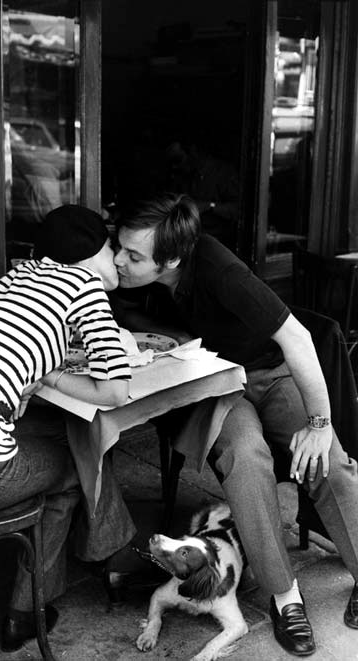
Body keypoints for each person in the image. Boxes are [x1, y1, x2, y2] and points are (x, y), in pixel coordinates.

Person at [111, 192, 358, 657]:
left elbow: (298, 338)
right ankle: (285, 595)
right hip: (218, 386)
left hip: (270, 371)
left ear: (171, 259)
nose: (119, 260)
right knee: (245, 458)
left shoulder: (220, 269)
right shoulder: (125, 274)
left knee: (328, 457)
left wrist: (319, 424)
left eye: (133, 255)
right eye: (118, 248)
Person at [0, 204, 134, 653]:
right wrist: (53, 377)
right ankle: (29, 609)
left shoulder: (19, 276)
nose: (117, 259)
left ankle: (113, 553)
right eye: (111, 247)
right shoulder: (83, 285)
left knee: (65, 437)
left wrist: (38, 377)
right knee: (78, 463)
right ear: (90, 252)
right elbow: (116, 391)